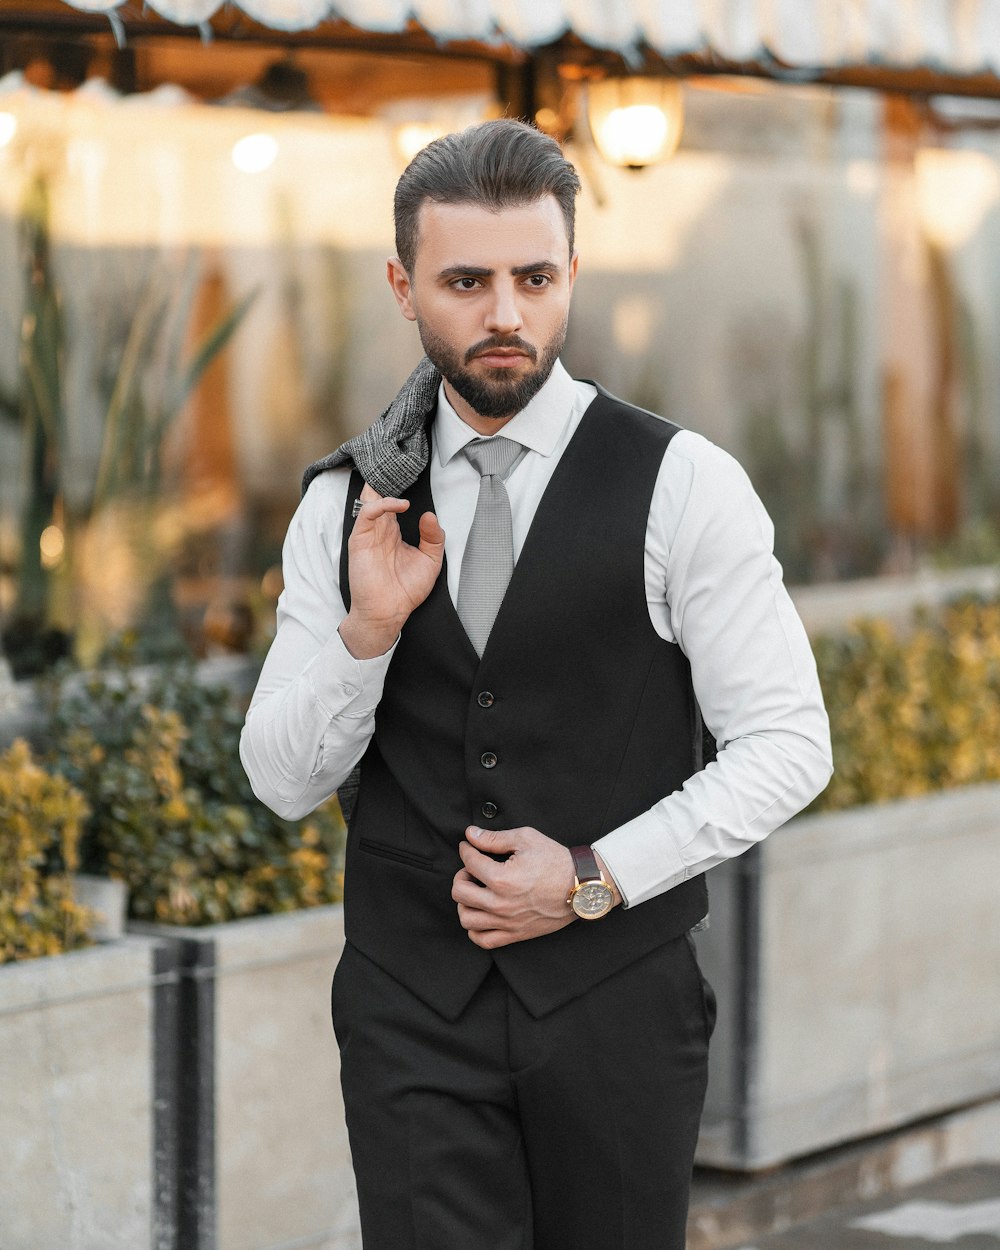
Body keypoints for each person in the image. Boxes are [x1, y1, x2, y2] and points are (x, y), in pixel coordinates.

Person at [241, 118, 833, 1250]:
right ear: (403, 285)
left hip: (617, 1004)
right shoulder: (342, 504)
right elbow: (278, 778)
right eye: (465, 280)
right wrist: (368, 632)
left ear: (571, 274)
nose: (505, 314)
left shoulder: (683, 484)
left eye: (533, 277)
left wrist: (595, 876)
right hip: (410, 1009)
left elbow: (788, 741)